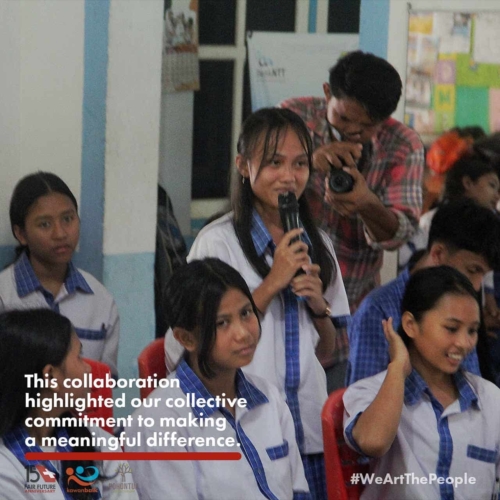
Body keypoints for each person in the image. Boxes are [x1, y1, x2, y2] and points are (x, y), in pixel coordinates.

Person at [165, 107, 350, 499]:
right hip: (244, 425)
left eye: (300, 163)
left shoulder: (319, 244)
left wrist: (319, 309)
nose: (289, 176)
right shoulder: (217, 243)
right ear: (244, 166)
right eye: (274, 163)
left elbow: (330, 355)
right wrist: (272, 282)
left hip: (308, 430)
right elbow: (186, 346)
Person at [280, 50, 425, 388]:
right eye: (344, 119)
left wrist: (367, 203)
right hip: (280, 299)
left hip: (349, 315)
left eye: (369, 125)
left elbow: (400, 233)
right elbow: (254, 183)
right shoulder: (292, 117)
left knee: (333, 424)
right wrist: (306, 163)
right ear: (327, 93)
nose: (354, 132)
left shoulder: (402, 145)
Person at [128, 258, 310, 499]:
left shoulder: (269, 398)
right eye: (222, 323)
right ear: (186, 338)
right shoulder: (157, 423)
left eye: (246, 313)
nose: (243, 333)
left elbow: (299, 492)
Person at [343, 266, 500, 500]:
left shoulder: (489, 398)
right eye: (451, 328)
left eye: (472, 331)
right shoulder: (372, 391)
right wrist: (397, 367)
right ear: (410, 325)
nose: (464, 343)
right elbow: (373, 441)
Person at [347, 199, 500, 385]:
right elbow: (363, 405)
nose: (476, 286)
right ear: (437, 254)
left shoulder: (464, 305)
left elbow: (471, 389)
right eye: (473, 270)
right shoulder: (378, 311)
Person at [0, 309, 135, 500]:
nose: (89, 368)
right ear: (50, 376)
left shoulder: (99, 442)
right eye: (79, 357)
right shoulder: (5, 469)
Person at [0, 172, 120, 375]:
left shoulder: (100, 300)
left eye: (68, 219)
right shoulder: (4, 296)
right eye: (45, 224)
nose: (60, 233)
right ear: (21, 234)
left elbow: (103, 383)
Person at [399, 151, 500, 269]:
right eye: (492, 185)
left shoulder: (491, 224)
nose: (497, 196)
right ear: (468, 183)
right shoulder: (431, 220)